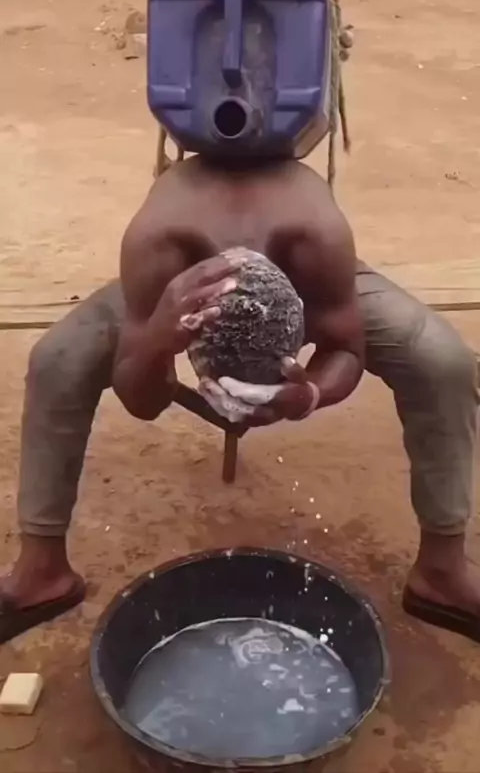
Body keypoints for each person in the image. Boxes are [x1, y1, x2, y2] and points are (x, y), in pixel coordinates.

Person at [0, 155, 478, 645]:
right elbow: (142, 400)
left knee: (442, 360)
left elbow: (346, 348)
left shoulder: (315, 234)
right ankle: (42, 573)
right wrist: (157, 339)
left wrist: (309, 393)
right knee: (58, 360)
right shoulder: (160, 241)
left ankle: (441, 574)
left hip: (316, 283)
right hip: (168, 293)